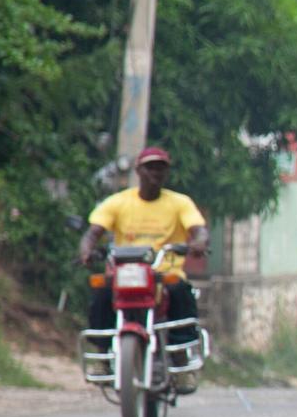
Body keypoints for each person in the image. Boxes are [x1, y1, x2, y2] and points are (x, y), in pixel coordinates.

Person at [79, 147, 208, 351]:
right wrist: (86, 251)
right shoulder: (118, 202)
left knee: (181, 291)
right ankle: (102, 351)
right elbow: (93, 233)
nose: (155, 173)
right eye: (150, 167)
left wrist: (199, 242)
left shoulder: (180, 203)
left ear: (167, 173)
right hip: (124, 274)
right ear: (138, 170)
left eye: (160, 168)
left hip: (164, 273)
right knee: (101, 290)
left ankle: (181, 351)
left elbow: (199, 230)